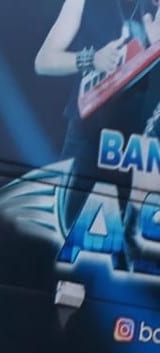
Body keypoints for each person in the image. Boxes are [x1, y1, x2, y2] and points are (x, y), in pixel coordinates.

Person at [35, 0, 160, 228]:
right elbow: (44, 60)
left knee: (132, 244)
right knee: (64, 231)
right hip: (88, 138)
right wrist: (92, 59)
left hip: (143, 147)